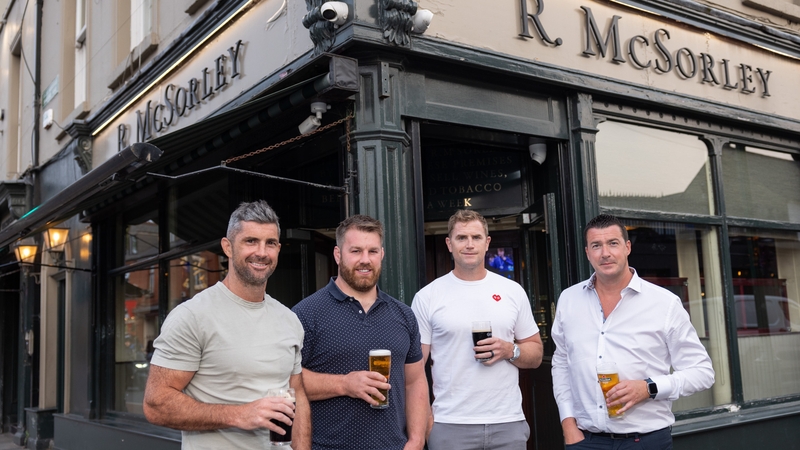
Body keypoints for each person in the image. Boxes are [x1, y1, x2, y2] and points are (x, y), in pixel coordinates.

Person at [143, 200, 310, 450]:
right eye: (250, 241)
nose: (262, 252)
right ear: (228, 247)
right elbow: (156, 405)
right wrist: (238, 415)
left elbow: (298, 395)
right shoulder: (192, 316)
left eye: (270, 243)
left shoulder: (289, 319)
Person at [551, 214, 715, 450]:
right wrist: (568, 423)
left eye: (613, 243)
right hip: (584, 441)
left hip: (645, 441)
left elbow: (702, 373)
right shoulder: (569, 299)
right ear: (587, 252)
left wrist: (649, 388)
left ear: (627, 247)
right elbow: (562, 362)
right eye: (596, 245)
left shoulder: (664, 303)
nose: (605, 253)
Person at [292, 215, 430, 450]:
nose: (365, 260)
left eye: (372, 251)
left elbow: (415, 382)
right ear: (338, 254)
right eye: (356, 251)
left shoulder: (404, 315)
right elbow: (288, 382)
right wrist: (345, 384)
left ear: (382, 255)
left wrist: (416, 441)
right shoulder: (306, 313)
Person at [412, 209, 543, 450]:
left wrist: (510, 350)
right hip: (450, 424)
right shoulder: (428, 296)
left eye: (476, 237)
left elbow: (535, 354)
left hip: (508, 422)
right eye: (461, 238)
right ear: (449, 244)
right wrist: (425, 423)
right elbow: (415, 368)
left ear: (487, 242)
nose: (469, 245)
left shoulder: (512, 291)